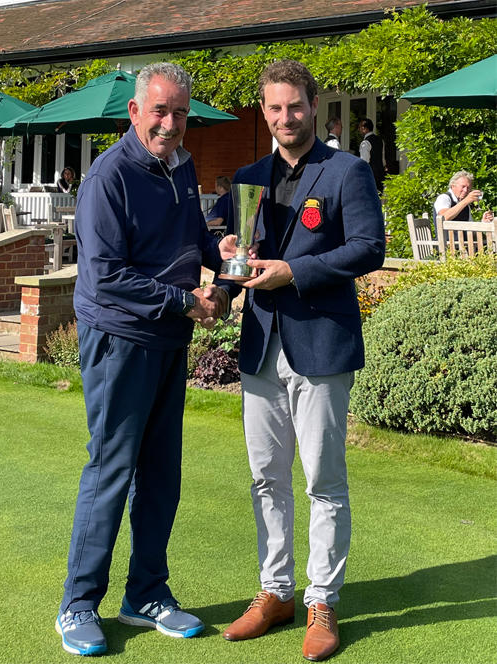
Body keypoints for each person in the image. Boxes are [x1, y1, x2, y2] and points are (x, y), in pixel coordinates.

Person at [56, 62, 230, 657]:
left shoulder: (180, 166)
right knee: (111, 470)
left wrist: (220, 252)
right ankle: (78, 604)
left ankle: (146, 595)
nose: (171, 123)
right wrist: (187, 300)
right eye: (159, 111)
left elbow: (192, 239)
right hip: (119, 341)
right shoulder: (107, 176)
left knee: (161, 474)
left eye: (180, 113)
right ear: (135, 112)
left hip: (167, 341)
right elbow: (105, 277)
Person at [218, 60, 385, 662]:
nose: (284, 118)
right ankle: (275, 592)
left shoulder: (349, 172)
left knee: (323, 481)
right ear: (263, 112)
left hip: (321, 345)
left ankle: (322, 600)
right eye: (273, 109)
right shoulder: (249, 175)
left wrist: (294, 271)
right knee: (266, 477)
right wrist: (226, 245)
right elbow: (223, 231)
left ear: (314, 105)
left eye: (294, 106)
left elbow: (368, 248)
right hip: (261, 346)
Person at [358, 118, 385, 192]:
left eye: (360, 127)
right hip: (380, 176)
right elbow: (383, 160)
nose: (359, 130)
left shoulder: (365, 143)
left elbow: (364, 162)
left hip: (370, 176)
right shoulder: (380, 140)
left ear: (364, 128)